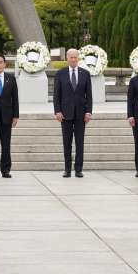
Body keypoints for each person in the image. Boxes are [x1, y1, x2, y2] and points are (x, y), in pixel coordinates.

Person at [53, 48, 92, 178]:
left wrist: (88, 112)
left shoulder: (85, 73)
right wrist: (57, 111)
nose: (74, 60)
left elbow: (89, 95)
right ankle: (67, 169)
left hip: (81, 114)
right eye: (71, 57)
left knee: (79, 143)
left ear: (78, 58)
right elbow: (56, 95)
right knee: (67, 142)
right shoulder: (60, 74)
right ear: (67, 58)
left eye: (76, 57)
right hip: (65, 114)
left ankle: (79, 169)